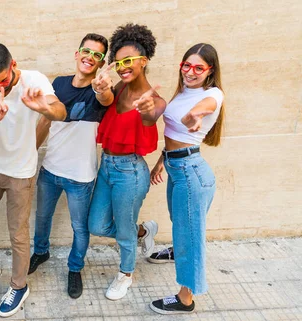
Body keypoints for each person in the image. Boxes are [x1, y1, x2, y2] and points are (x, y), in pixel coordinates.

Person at [0, 43, 67, 317]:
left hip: (21, 171)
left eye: (4, 81)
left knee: (18, 234)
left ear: (14, 65)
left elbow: (61, 112)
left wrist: (44, 107)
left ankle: (19, 286)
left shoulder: (34, 80)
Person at [27, 33, 114, 299]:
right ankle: (40, 252)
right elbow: (45, 122)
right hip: (50, 171)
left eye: (97, 55)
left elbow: (106, 100)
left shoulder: (100, 90)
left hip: (81, 177)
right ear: (77, 54)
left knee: (80, 227)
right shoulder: (59, 84)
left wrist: (102, 89)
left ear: (101, 63)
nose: (90, 58)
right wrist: (30, 155)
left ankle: (75, 268)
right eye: (86, 52)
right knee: (42, 218)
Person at [88, 23, 166, 301]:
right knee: (96, 225)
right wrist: (100, 89)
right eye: (118, 62)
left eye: (129, 61)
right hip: (107, 166)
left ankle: (125, 274)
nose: (122, 67)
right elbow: (107, 99)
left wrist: (147, 111)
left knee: (123, 233)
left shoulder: (154, 99)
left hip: (130, 172)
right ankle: (142, 231)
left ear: (144, 61)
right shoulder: (121, 87)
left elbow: (151, 115)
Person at [148, 43, 225, 314]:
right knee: (180, 222)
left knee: (190, 235)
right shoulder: (182, 91)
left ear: (210, 70)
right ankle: (175, 250)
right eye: (186, 65)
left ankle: (185, 299)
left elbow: (205, 107)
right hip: (176, 167)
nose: (190, 72)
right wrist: (160, 162)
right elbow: (172, 135)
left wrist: (196, 115)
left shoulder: (212, 93)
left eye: (198, 68)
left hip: (191, 174)